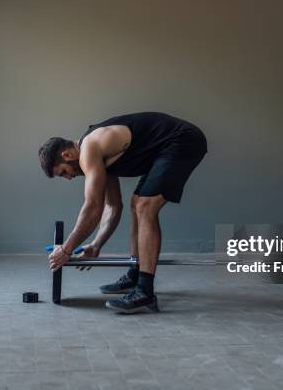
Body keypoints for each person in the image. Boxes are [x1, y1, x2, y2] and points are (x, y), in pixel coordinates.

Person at [39, 111, 207, 313]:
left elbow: (92, 207)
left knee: (145, 206)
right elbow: (112, 207)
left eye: (64, 172)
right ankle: (135, 274)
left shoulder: (90, 148)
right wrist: (95, 245)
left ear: (67, 155)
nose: (68, 178)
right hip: (165, 148)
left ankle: (145, 292)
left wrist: (66, 250)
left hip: (182, 140)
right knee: (137, 204)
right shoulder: (100, 158)